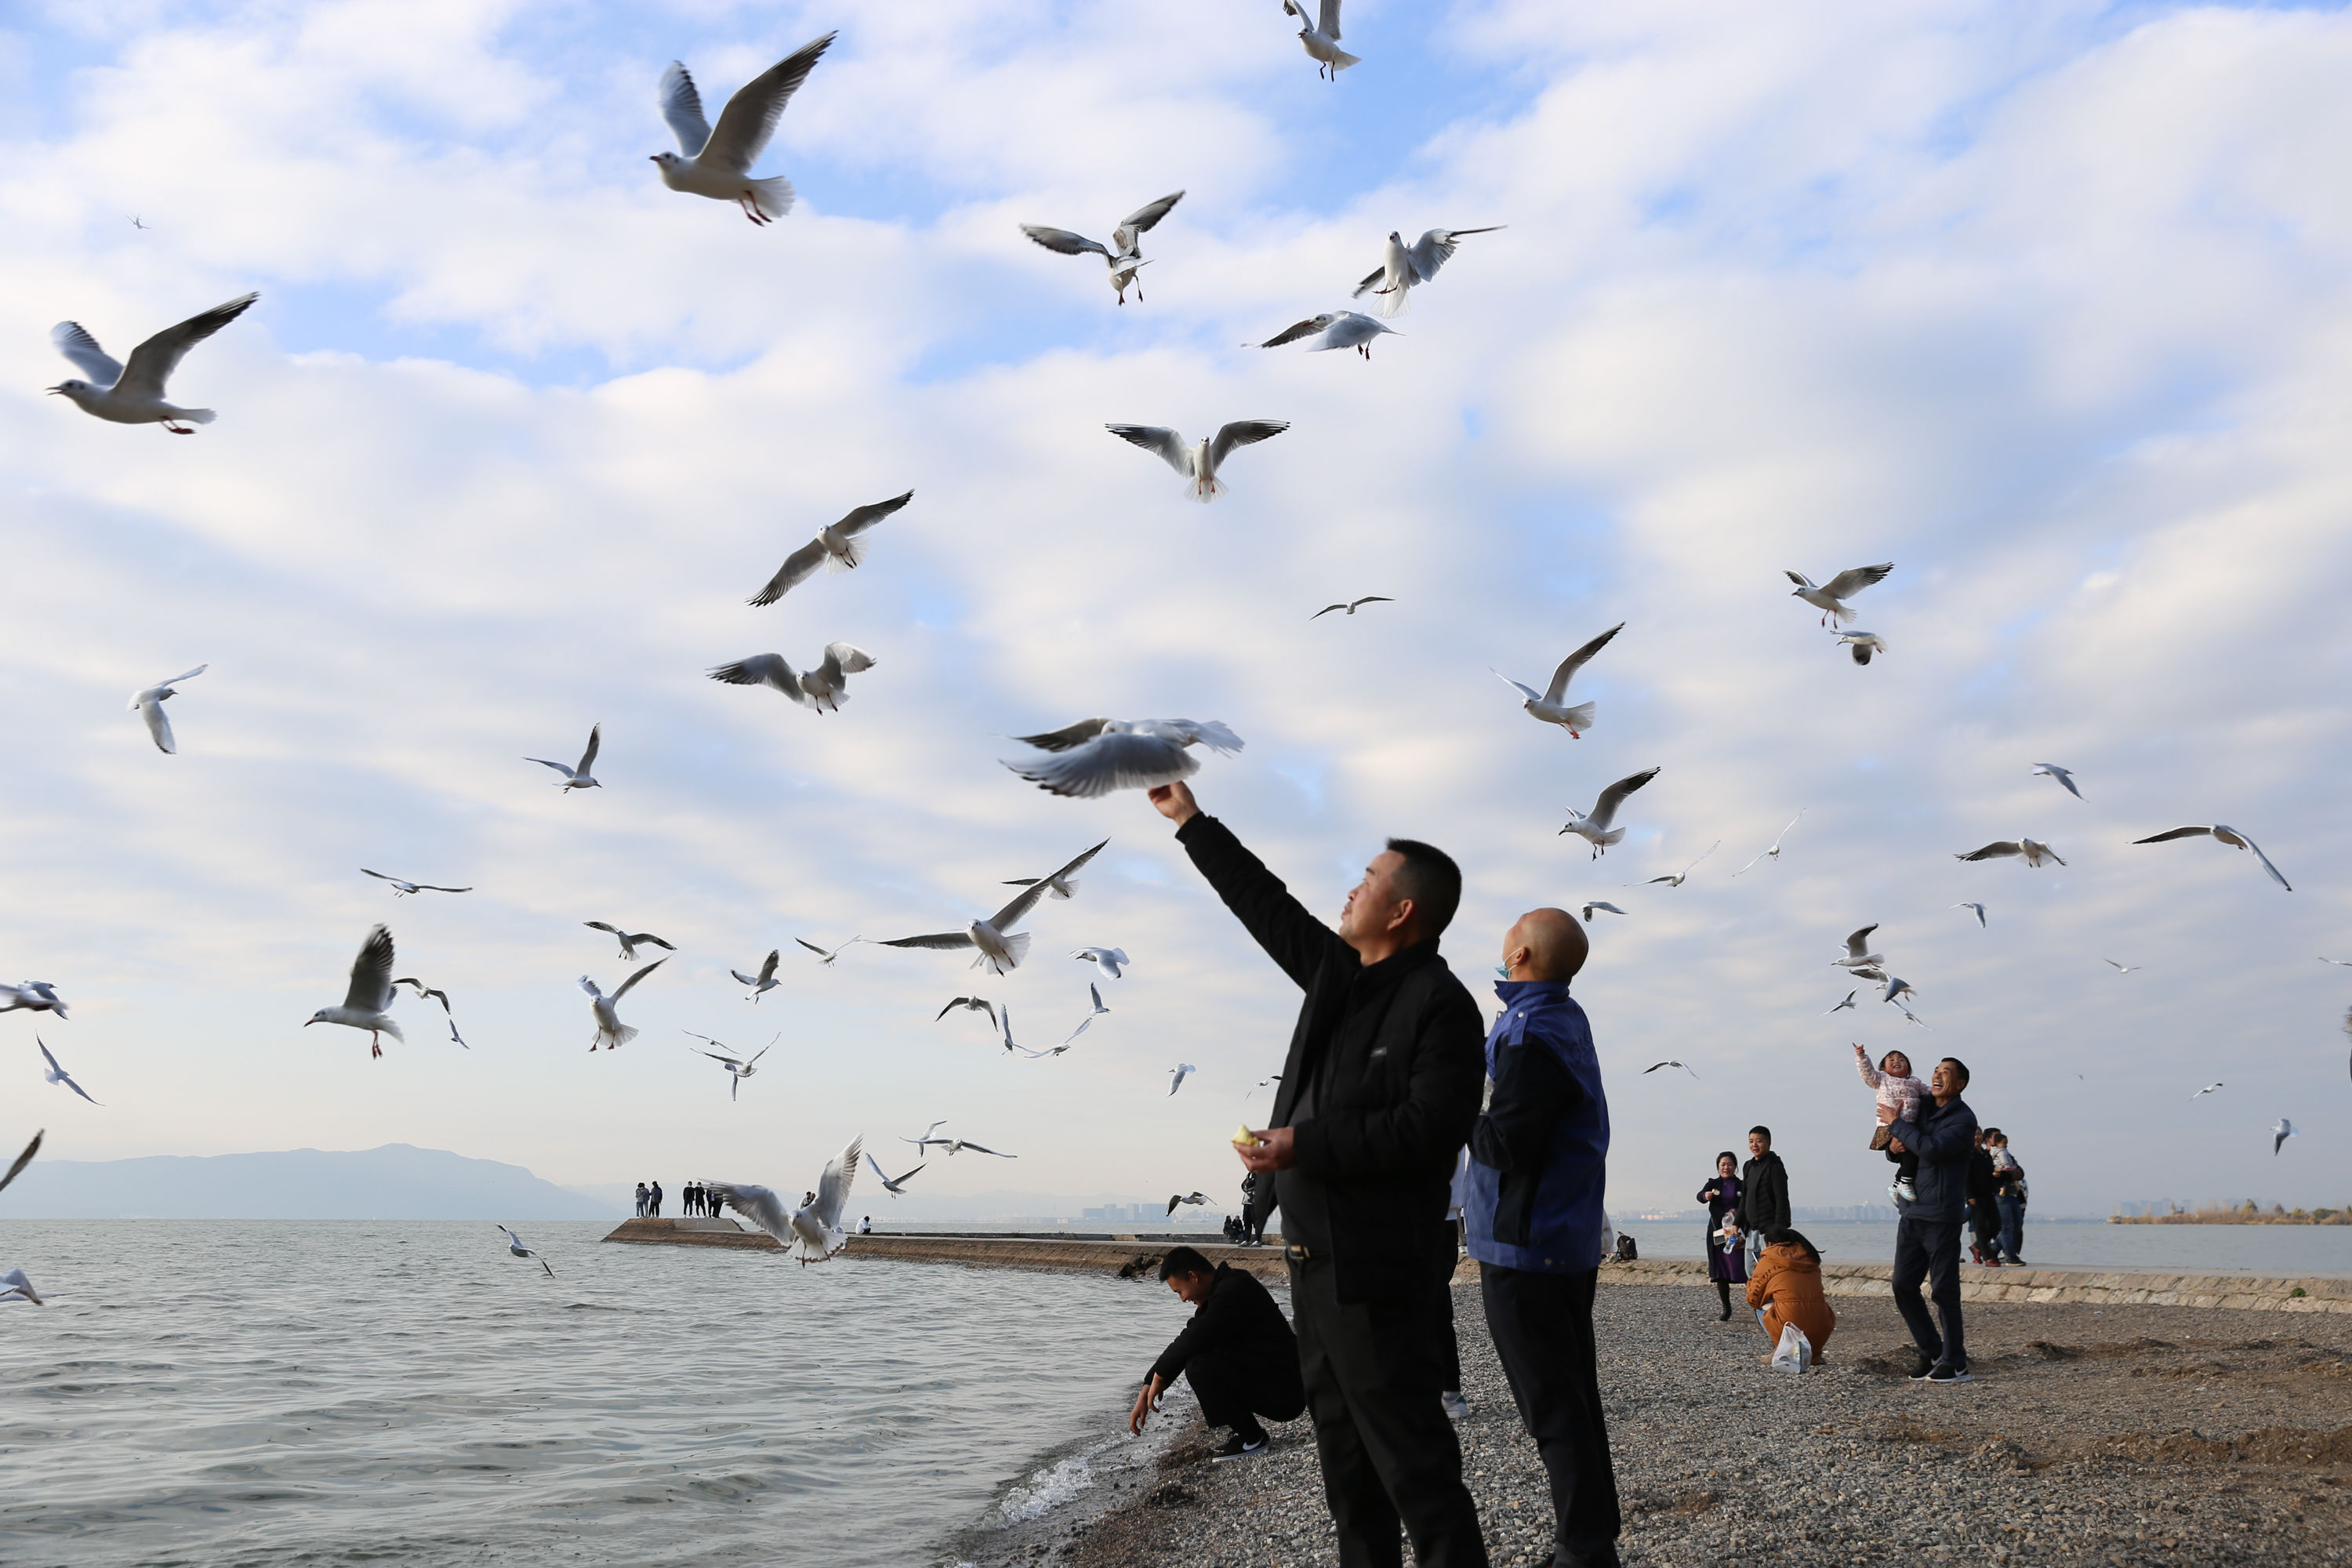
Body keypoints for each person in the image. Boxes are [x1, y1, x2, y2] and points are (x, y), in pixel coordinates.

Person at [1150, 779, 1489, 1568]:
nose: (1352, 886)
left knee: (1419, 1475)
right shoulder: (1339, 977)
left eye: (1368, 879)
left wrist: (1305, 1145)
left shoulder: (1441, 1006)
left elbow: (1429, 1128)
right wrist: (1192, 821)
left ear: (1402, 910)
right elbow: (1266, 905)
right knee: (1349, 1485)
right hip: (1310, 1272)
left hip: (1376, 1276)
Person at [1463, 906, 1621, 1568]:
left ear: (1522, 956)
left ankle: (1583, 1550)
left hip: (1528, 1245)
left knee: (1552, 1403)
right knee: (1571, 1392)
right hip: (1558, 1238)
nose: (1501, 946)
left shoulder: (1535, 1030)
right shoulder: (1560, 1017)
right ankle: (1590, 1539)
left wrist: (1448, 1102)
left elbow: (1505, 1142)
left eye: (1510, 938)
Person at [1129, 1245, 1305, 1460]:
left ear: (1193, 1276)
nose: (1182, 1299)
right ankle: (1247, 1434)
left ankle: (1252, 1439)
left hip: (1286, 1392)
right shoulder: (1221, 1292)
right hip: (1278, 1383)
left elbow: (1194, 1338)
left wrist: (1159, 1377)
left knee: (1199, 1366)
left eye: (1179, 1291)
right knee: (1200, 1356)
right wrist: (1149, 1384)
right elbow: (1188, 1337)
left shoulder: (1234, 1290)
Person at [1885, 1057, 1981, 1383]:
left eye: (1947, 1073)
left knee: (1943, 1291)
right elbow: (1902, 1145)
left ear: (1961, 1084)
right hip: (1911, 1213)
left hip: (1941, 1217)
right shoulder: (1921, 1104)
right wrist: (1894, 1146)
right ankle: (1932, 1350)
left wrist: (1898, 1127)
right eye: (1937, 1070)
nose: (1938, 1075)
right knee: (1902, 1286)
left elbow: (1932, 1148)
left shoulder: (1964, 1120)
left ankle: (1956, 1362)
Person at [1745, 1228, 1835, 1364]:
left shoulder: (1768, 1260)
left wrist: (1752, 1281)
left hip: (1791, 1324)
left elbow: (1753, 1299)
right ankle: (1813, 1353)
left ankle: (1781, 1349)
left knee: (1760, 1306)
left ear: (1769, 1244)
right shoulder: (1811, 1258)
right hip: (1822, 1326)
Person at [1853, 1044, 1929, 1205]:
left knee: (1912, 1153)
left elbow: (1929, 1092)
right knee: (1909, 1153)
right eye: (1892, 1060)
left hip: (1908, 1126)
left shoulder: (1915, 1083)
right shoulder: (1881, 1079)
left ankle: (1896, 1186)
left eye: (1902, 1060)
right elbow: (1867, 1073)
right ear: (1883, 1068)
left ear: (1908, 1069)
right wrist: (1862, 1057)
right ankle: (1905, 1182)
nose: (1897, 1061)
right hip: (1888, 1127)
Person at [1695, 1152, 1746, 1321]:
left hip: (1737, 1230)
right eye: (1723, 1164)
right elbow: (1700, 1196)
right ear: (1718, 1167)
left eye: (1730, 1164)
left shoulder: (1741, 1184)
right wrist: (1705, 1196)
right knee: (1721, 1269)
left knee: (1745, 1267)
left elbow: (1747, 1204)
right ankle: (1726, 1308)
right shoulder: (1713, 1183)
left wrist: (1737, 1211)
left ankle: (1755, 1304)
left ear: (1735, 1166)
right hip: (1718, 1231)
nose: (1726, 1167)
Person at [1733, 1127, 1788, 1261]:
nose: (1754, 1145)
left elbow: (1782, 1199)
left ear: (1769, 1142)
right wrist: (1737, 1223)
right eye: (1751, 1141)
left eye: (1759, 1141)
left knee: (1770, 1268)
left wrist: (1779, 1230)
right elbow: (1745, 1198)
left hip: (1770, 1229)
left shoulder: (1775, 1166)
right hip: (1752, 1228)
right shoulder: (1749, 1166)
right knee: (1750, 1270)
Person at [1990, 1131, 2028, 1265]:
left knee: (2017, 1225)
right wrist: (2011, 1174)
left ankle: (1993, 1249)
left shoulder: (2007, 1155)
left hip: (2013, 1194)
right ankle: (2010, 1256)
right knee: (2007, 1226)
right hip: (2000, 1194)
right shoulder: (1991, 1156)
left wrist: (2017, 1174)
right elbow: (1997, 1174)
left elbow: (2018, 1171)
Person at [1965, 1129, 2002, 1266]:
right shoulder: (1968, 1154)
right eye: (1973, 1134)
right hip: (1975, 1196)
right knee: (1980, 1227)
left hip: (1989, 1194)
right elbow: (1966, 1176)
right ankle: (1988, 1257)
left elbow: (1990, 1173)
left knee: (1996, 1225)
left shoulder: (1986, 1154)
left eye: (1978, 1134)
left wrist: (1997, 1178)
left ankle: (1977, 1246)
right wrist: (1969, 1195)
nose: (1976, 1137)